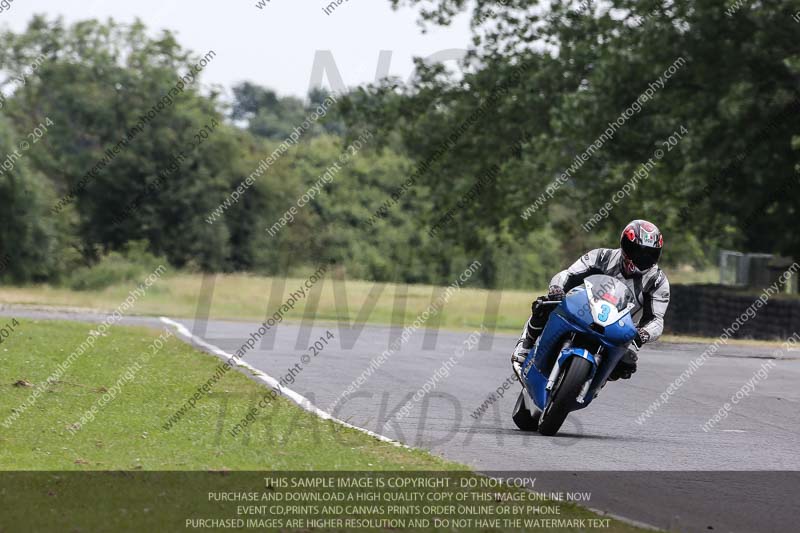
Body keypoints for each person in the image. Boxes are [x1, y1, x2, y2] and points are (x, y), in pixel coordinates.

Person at [511, 219, 670, 382]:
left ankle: (591, 385)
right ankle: (526, 345)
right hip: (583, 312)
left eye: (649, 253)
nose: (641, 257)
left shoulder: (657, 282)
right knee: (544, 305)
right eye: (636, 250)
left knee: (627, 364)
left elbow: (656, 320)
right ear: (624, 245)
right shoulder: (602, 256)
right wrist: (557, 289)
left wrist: (643, 334)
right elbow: (568, 274)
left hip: (620, 330)